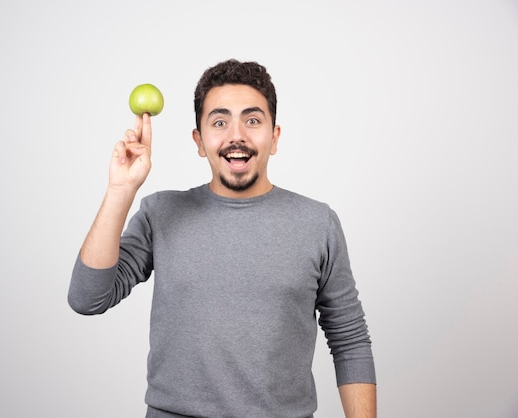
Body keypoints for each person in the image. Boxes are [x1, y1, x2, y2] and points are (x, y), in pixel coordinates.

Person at [68, 59, 377, 418]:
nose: (236, 136)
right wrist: (121, 189)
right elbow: (88, 298)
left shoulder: (317, 222)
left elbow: (350, 341)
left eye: (252, 120)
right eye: (219, 122)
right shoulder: (161, 212)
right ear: (199, 141)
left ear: (274, 137)